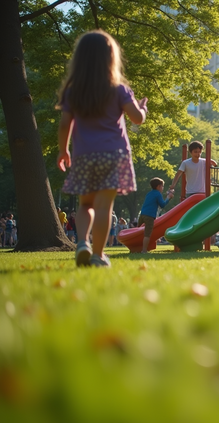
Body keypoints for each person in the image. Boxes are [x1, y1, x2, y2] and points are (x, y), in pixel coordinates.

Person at [56, 30, 147, 267]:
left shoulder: (73, 92)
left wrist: (63, 150)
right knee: (105, 206)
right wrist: (143, 108)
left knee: (85, 205)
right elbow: (137, 119)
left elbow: (65, 124)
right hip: (114, 155)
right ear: (111, 58)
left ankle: (82, 243)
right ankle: (98, 255)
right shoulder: (119, 90)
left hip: (84, 156)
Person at [139, 177, 174, 253]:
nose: (163, 188)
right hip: (149, 216)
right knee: (147, 234)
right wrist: (168, 198)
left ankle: (137, 247)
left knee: (138, 232)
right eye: (162, 186)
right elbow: (162, 205)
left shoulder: (149, 193)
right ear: (158, 186)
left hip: (142, 214)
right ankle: (144, 250)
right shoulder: (158, 194)